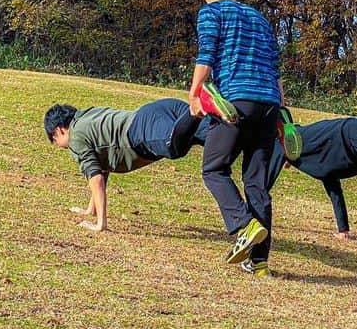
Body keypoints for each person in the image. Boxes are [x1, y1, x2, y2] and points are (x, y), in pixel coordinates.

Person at [190, 0, 284, 277]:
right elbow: (274, 69)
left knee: (214, 168)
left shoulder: (212, 12)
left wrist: (194, 94)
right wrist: (281, 114)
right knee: (256, 182)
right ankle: (259, 262)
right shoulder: (260, 19)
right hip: (268, 104)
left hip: (235, 102)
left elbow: (206, 56)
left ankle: (244, 226)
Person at [44, 96, 231, 232]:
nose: (59, 146)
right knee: (222, 135)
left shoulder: (75, 138)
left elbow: (95, 178)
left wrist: (101, 224)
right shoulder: (86, 116)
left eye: (55, 140)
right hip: (162, 108)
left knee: (173, 146)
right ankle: (240, 122)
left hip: (143, 129)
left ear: (59, 130)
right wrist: (90, 210)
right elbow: (102, 166)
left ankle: (200, 104)